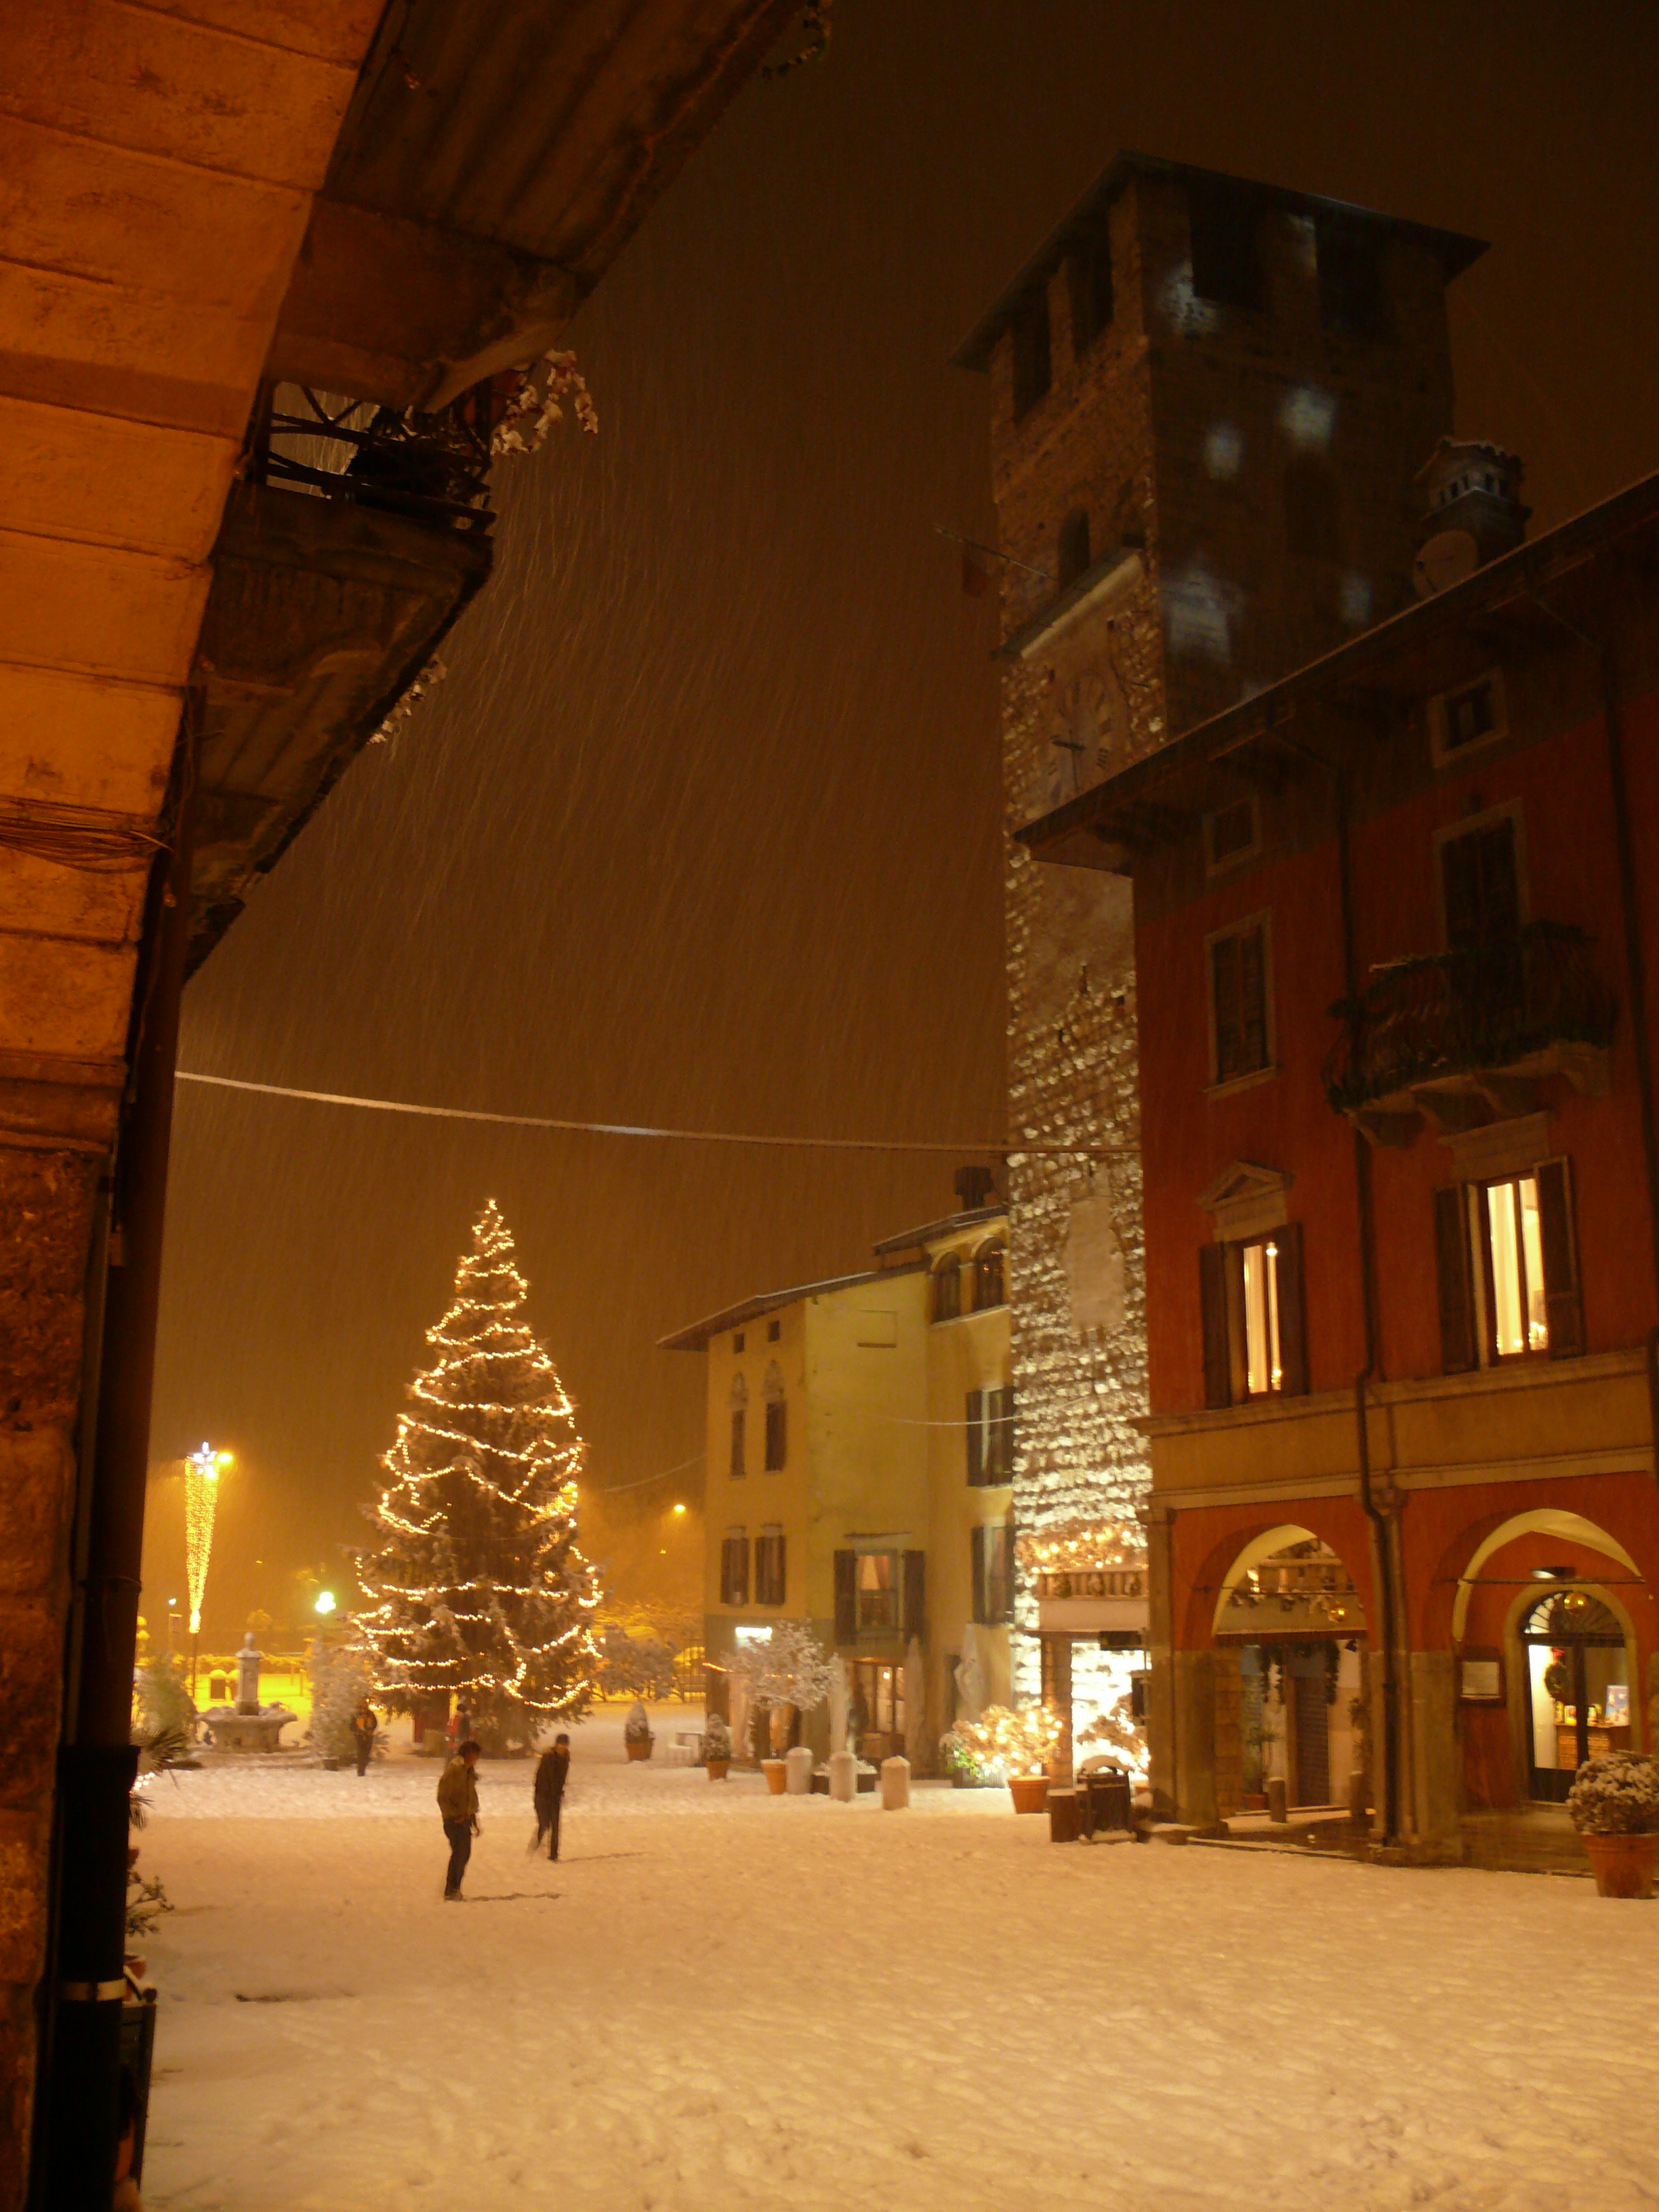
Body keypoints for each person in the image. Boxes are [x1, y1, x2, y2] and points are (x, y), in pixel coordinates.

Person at [437, 1738, 481, 1899]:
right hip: (453, 1820)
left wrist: (473, 1819)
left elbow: (470, 1796)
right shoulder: (455, 1769)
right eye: (475, 1755)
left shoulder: (468, 1771)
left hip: (464, 1819)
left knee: (464, 1853)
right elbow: (443, 1796)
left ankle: (455, 1888)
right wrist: (454, 1815)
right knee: (459, 1853)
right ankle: (451, 1889)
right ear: (469, 1754)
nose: (476, 1759)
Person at [531, 1733, 570, 1862]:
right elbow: (544, 1777)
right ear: (556, 1744)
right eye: (561, 1744)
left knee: (555, 1825)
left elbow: (562, 1776)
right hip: (543, 1794)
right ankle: (537, 1842)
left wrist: (559, 1791)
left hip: (555, 1795)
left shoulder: (566, 1757)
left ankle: (554, 1855)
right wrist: (548, 1792)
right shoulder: (549, 1757)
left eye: (565, 1745)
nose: (563, 1747)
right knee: (545, 1823)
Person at [349, 1700, 378, 1776]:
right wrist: (357, 1731)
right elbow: (352, 1726)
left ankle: (363, 1768)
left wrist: (370, 1729)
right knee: (361, 1753)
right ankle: (360, 1770)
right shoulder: (356, 1715)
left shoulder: (371, 1714)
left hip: (368, 1736)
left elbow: (375, 1724)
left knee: (367, 1753)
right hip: (360, 1736)